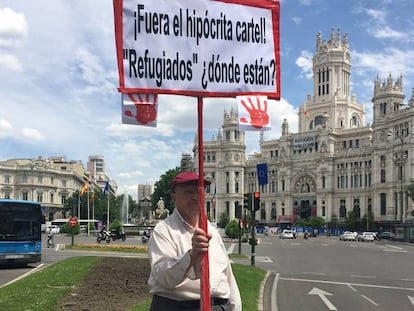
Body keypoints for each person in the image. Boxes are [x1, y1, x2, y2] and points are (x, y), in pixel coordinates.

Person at [148, 171, 241, 311]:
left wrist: (236, 307)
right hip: (179, 306)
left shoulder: (212, 231)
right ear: (174, 197)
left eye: (199, 192)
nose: (195, 197)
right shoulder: (164, 231)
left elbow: (228, 277)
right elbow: (163, 277)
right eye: (188, 192)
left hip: (219, 305)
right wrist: (191, 255)